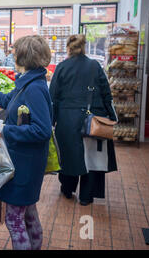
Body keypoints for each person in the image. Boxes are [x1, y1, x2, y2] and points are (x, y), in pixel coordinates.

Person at [0, 35, 53, 250]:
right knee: (29, 214)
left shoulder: (34, 88)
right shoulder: (29, 81)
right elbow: (7, 101)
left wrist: (3, 129)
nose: (12, 55)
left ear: (24, 57)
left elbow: (42, 130)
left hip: (25, 164)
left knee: (13, 220)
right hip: (25, 161)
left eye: (15, 52)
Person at [49, 34, 117, 206]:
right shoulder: (95, 65)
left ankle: (67, 189)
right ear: (84, 47)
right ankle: (86, 196)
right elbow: (106, 93)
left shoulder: (62, 67)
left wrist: (52, 120)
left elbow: (53, 97)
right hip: (93, 118)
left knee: (69, 155)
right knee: (91, 157)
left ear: (68, 48)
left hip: (67, 119)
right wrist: (110, 116)